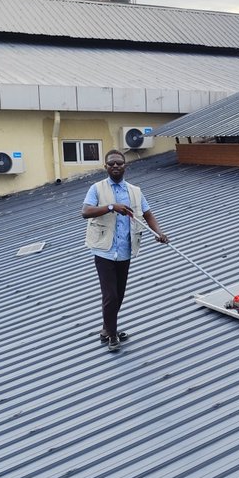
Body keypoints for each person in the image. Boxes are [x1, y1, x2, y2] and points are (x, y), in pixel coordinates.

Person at [81, 150, 168, 352]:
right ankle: (111, 334)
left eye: (119, 163)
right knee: (110, 295)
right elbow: (85, 212)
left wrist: (159, 233)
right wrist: (111, 206)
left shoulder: (135, 191)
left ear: (125, 166)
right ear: (106, 167)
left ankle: (107, 328)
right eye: (111, 164)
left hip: (126, 249)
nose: (116, 166)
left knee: (119, 294)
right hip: (104, 250)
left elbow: (147, 214)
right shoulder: (97, 188)